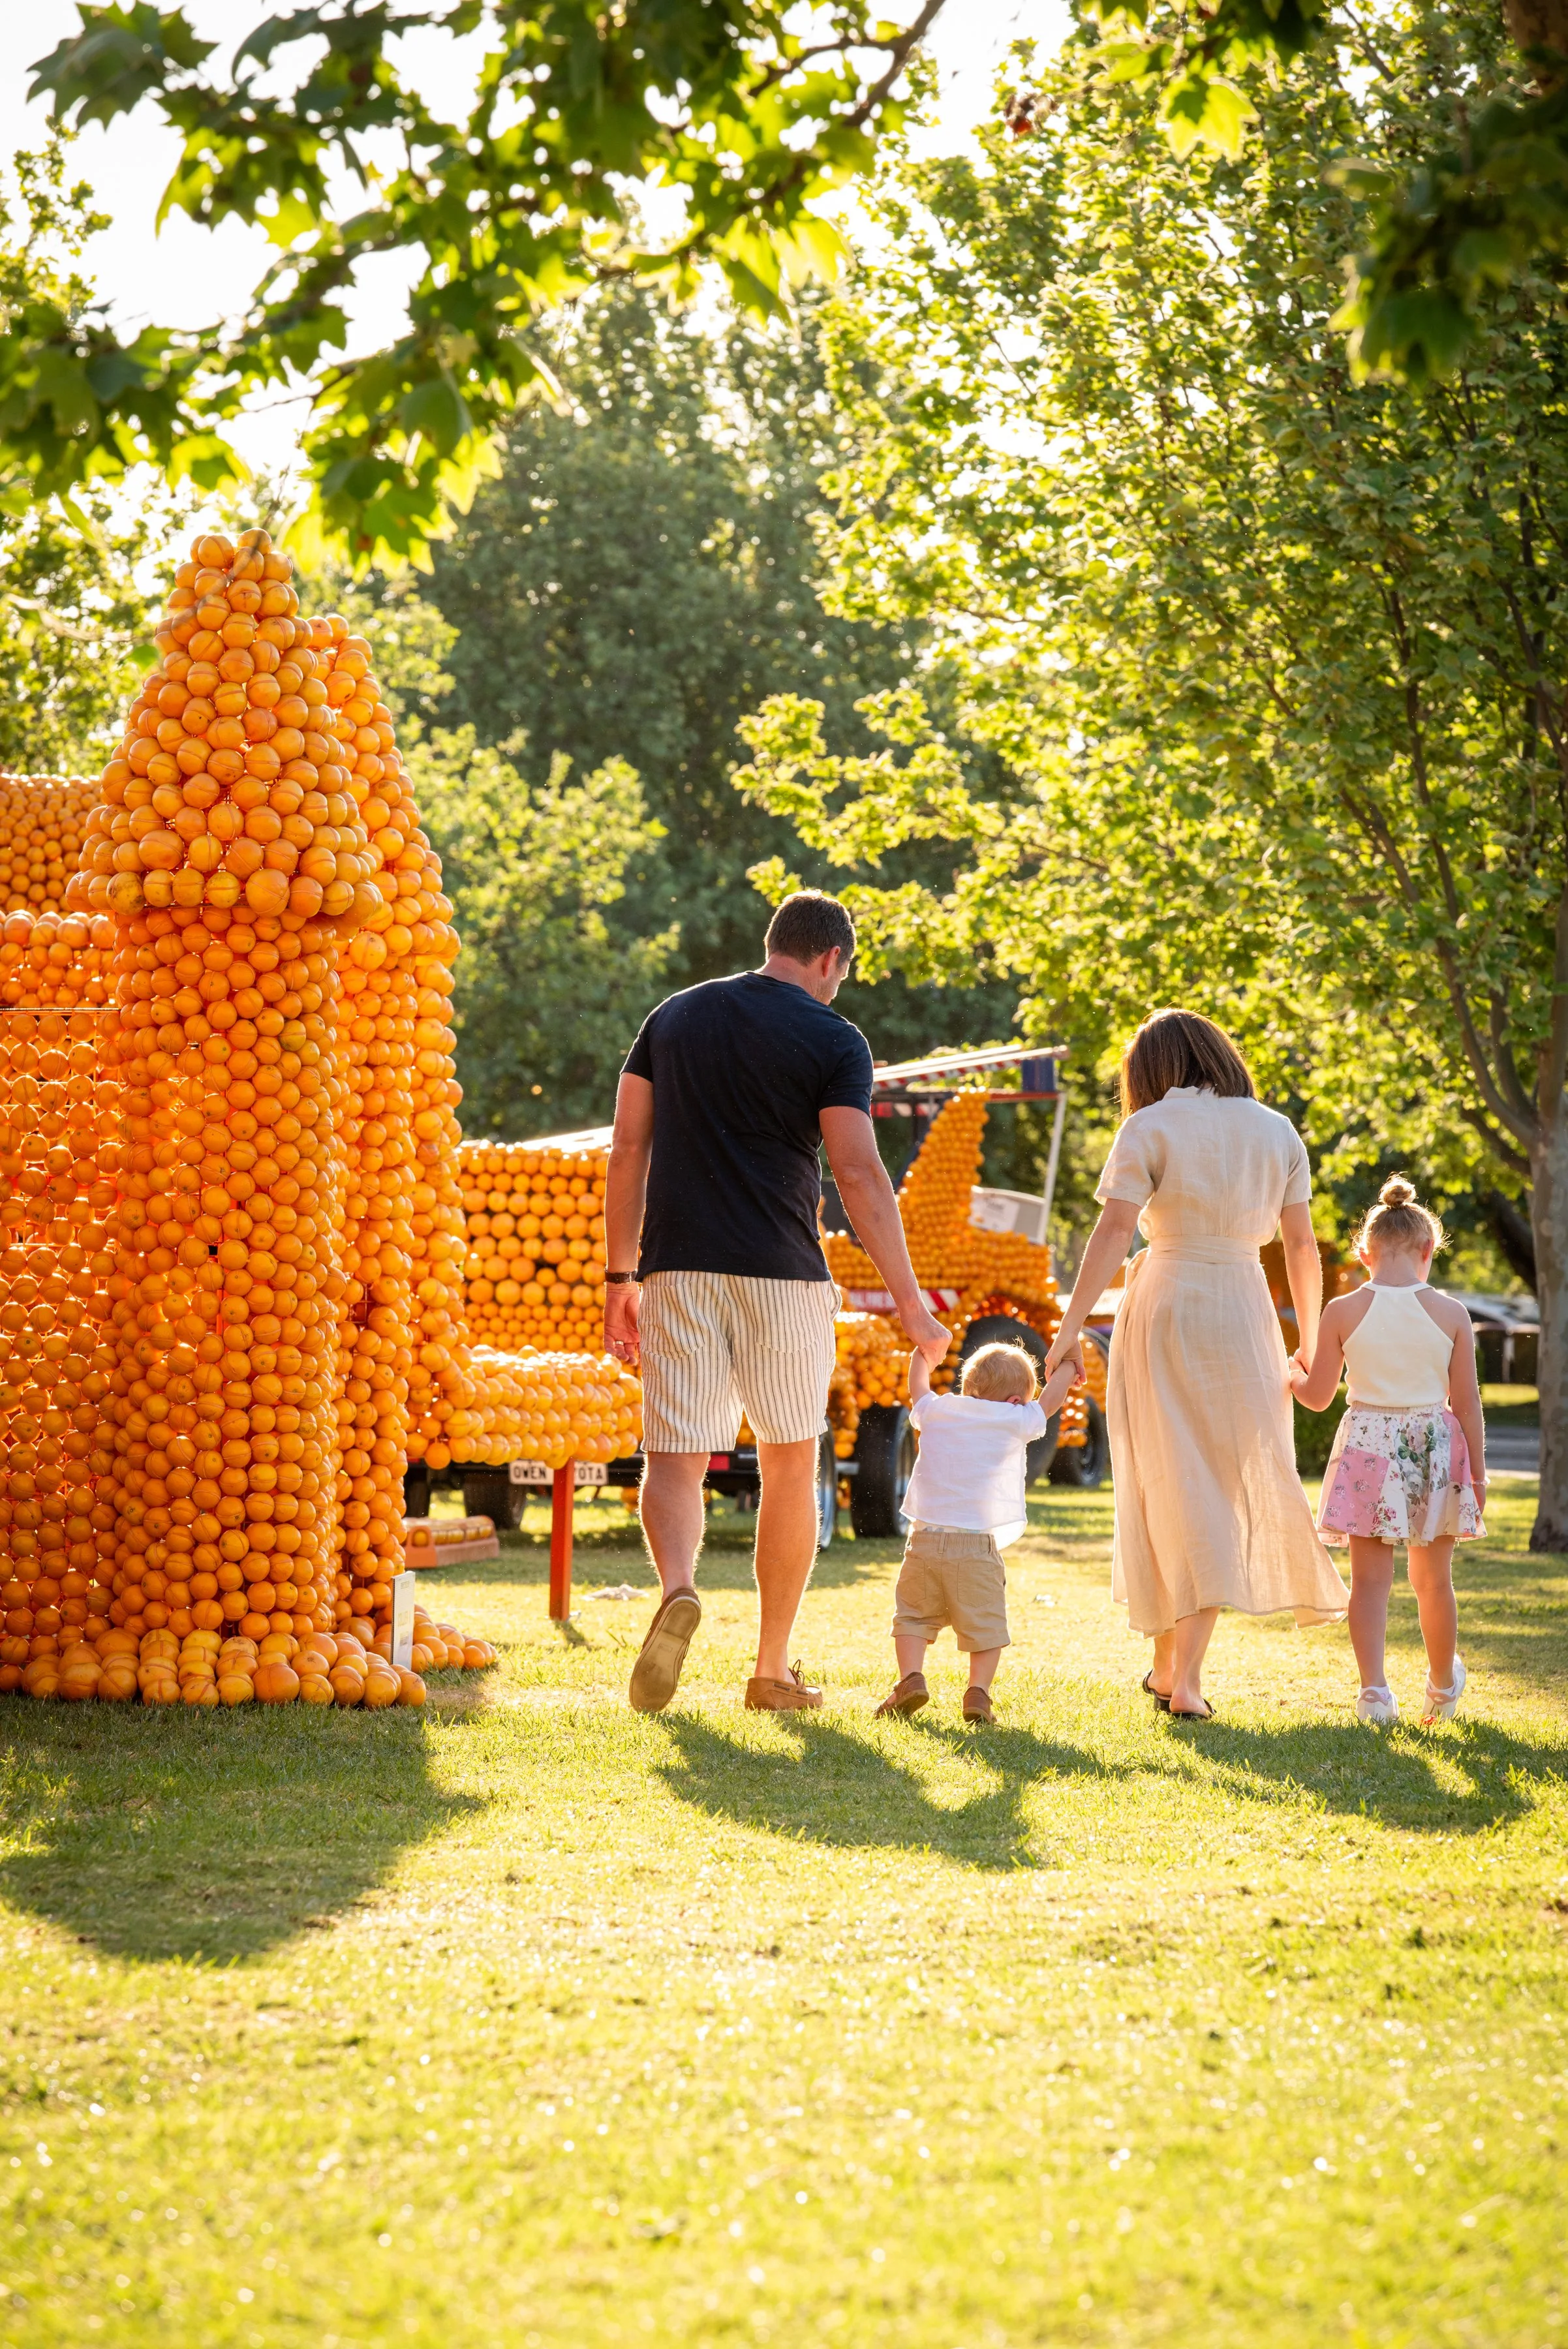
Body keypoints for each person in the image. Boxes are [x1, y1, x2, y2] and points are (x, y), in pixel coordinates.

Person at [603, 889, 950, 1715]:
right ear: (831, 959)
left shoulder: (672, 1018)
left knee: (677, 1454)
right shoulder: (834, 1037)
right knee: (793, 1458)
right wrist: (910, 1303)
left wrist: (621, 1281)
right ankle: (770, 1667)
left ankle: (679, 1589)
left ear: (775, 944)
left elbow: (627, 1149)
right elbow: (859, 1174)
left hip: (677, 1268)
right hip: (785, 1275)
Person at [1043, 1007, 1348, 1719]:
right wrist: (1307, 1345)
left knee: (1163, 1481)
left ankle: (1176, 1675)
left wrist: (1067, 1330)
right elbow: (1301, 1249)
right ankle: (1175, 1674)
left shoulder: (1148, 1126)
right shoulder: (1277, 1130)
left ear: (1151, 1071)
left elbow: (1115, 1230)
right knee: (1223, 1483)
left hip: (1165, 1304)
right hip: (1245, 1311)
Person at [1290, 1176, 1485, 1726]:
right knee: (1433, 1582)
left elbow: (1317, 1396)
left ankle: (1374, 1694)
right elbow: (1466, 1405)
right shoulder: (1451, 1313)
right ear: (1428, 1250)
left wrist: (1290, 1375)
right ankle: (1443, 1686)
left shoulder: (1343, 1311)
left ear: (1363, 1252)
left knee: (1370, 1584)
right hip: (1434, 1446)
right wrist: (1480, 1478)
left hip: (1366, 1449)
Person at [875, 1339, 1081, 1725]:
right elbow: (1050, 1403)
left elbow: (917, 1387)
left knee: (913, 1617)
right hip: (976, 1545)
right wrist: (1069, 1367)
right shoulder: (1014, 1419)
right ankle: (978, 1694)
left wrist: (922, 1354)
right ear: (1017, 1400)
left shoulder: (940, 1410)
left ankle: (910, 1679)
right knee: (985, 1625)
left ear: (968, 1388)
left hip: (924, 1539)